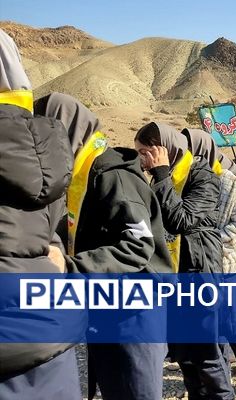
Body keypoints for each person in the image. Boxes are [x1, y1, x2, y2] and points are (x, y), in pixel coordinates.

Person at [35, 93, 172, 400]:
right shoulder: (81, 176)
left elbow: (136, 247)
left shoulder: (113, 178)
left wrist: (70, 266)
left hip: (134, 317)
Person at [134, 122, 236, 400]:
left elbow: (180, 220)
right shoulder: (163, 177)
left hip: (199, 273)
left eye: (146, 153)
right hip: (173, 276)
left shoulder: (202, 175)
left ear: (164, 149)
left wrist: (160, 173)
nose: (143, 160)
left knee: (205, 355)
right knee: (184, 355)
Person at [0, 30, 80, 400]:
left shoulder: (115, 175)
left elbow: (145, 240)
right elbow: (48, 234)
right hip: (46, 338)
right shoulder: (46, 157)